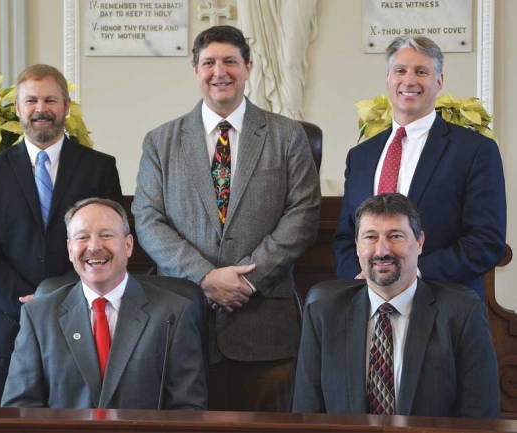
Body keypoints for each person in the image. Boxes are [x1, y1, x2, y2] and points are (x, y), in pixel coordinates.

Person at [131, 25, 321, 412]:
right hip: (183, 321)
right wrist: (204, 277)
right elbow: (147, 219)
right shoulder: (161, 141)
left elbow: (303, 214)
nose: (220, 71)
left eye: (230, 61)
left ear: (248, 66)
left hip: (265, 323)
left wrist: (248, 280)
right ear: (196, 70)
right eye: (209, 62)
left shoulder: (287, 136)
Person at [0, 64, 123, 407]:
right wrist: (27, 299)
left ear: (66, 106)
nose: (41, 109)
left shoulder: (100, 167)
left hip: (79, 318)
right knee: (4, 428)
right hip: (5, 326)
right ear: (18, 109)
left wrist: (57, 296)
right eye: (31, 100)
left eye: (50, 100)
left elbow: (110, 243)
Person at [293, 193, 499, 418]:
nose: (382, 250)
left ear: (419, 242)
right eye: (370, 237)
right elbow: (306, 416)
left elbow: (480, 420)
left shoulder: (463, 314)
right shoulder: (323, 312)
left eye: (396, 236)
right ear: (357, 245)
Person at [333, 36, 506, 301]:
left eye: (421, 72)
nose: (409, 80)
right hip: (370, 307)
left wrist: (411, 275)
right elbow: (346, 236)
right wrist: (361, 280)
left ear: (438, 82)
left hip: (445, 307)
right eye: (400, 70)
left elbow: (486, 242)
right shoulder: (360, 156)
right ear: (388, 80)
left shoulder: (474, 151)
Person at [1, 198, 206, 409]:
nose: (95, 246)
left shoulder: (173, 313)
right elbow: (19, 410)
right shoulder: (38, 316)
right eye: (82, 237)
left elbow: (188, 409)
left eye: (106, 235)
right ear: (70, 250)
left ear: (128, 245)